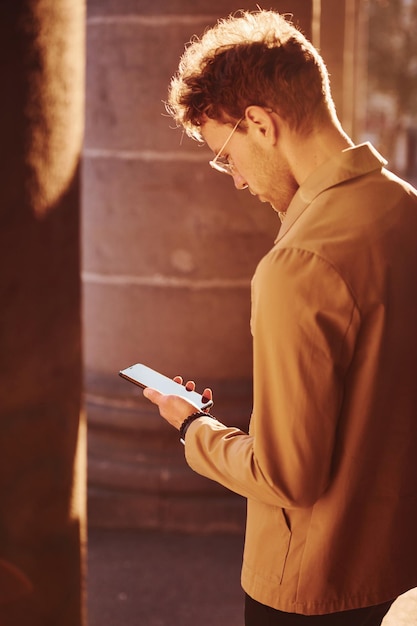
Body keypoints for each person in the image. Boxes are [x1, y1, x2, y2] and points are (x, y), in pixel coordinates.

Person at [143, 9, 417, 626]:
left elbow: (288, 477)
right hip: (401, 568)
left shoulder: (297, 263)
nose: (236, 180)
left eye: (226, 156)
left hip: (312, 586)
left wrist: (193, 429)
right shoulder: (406, 209)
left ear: (261, 124)